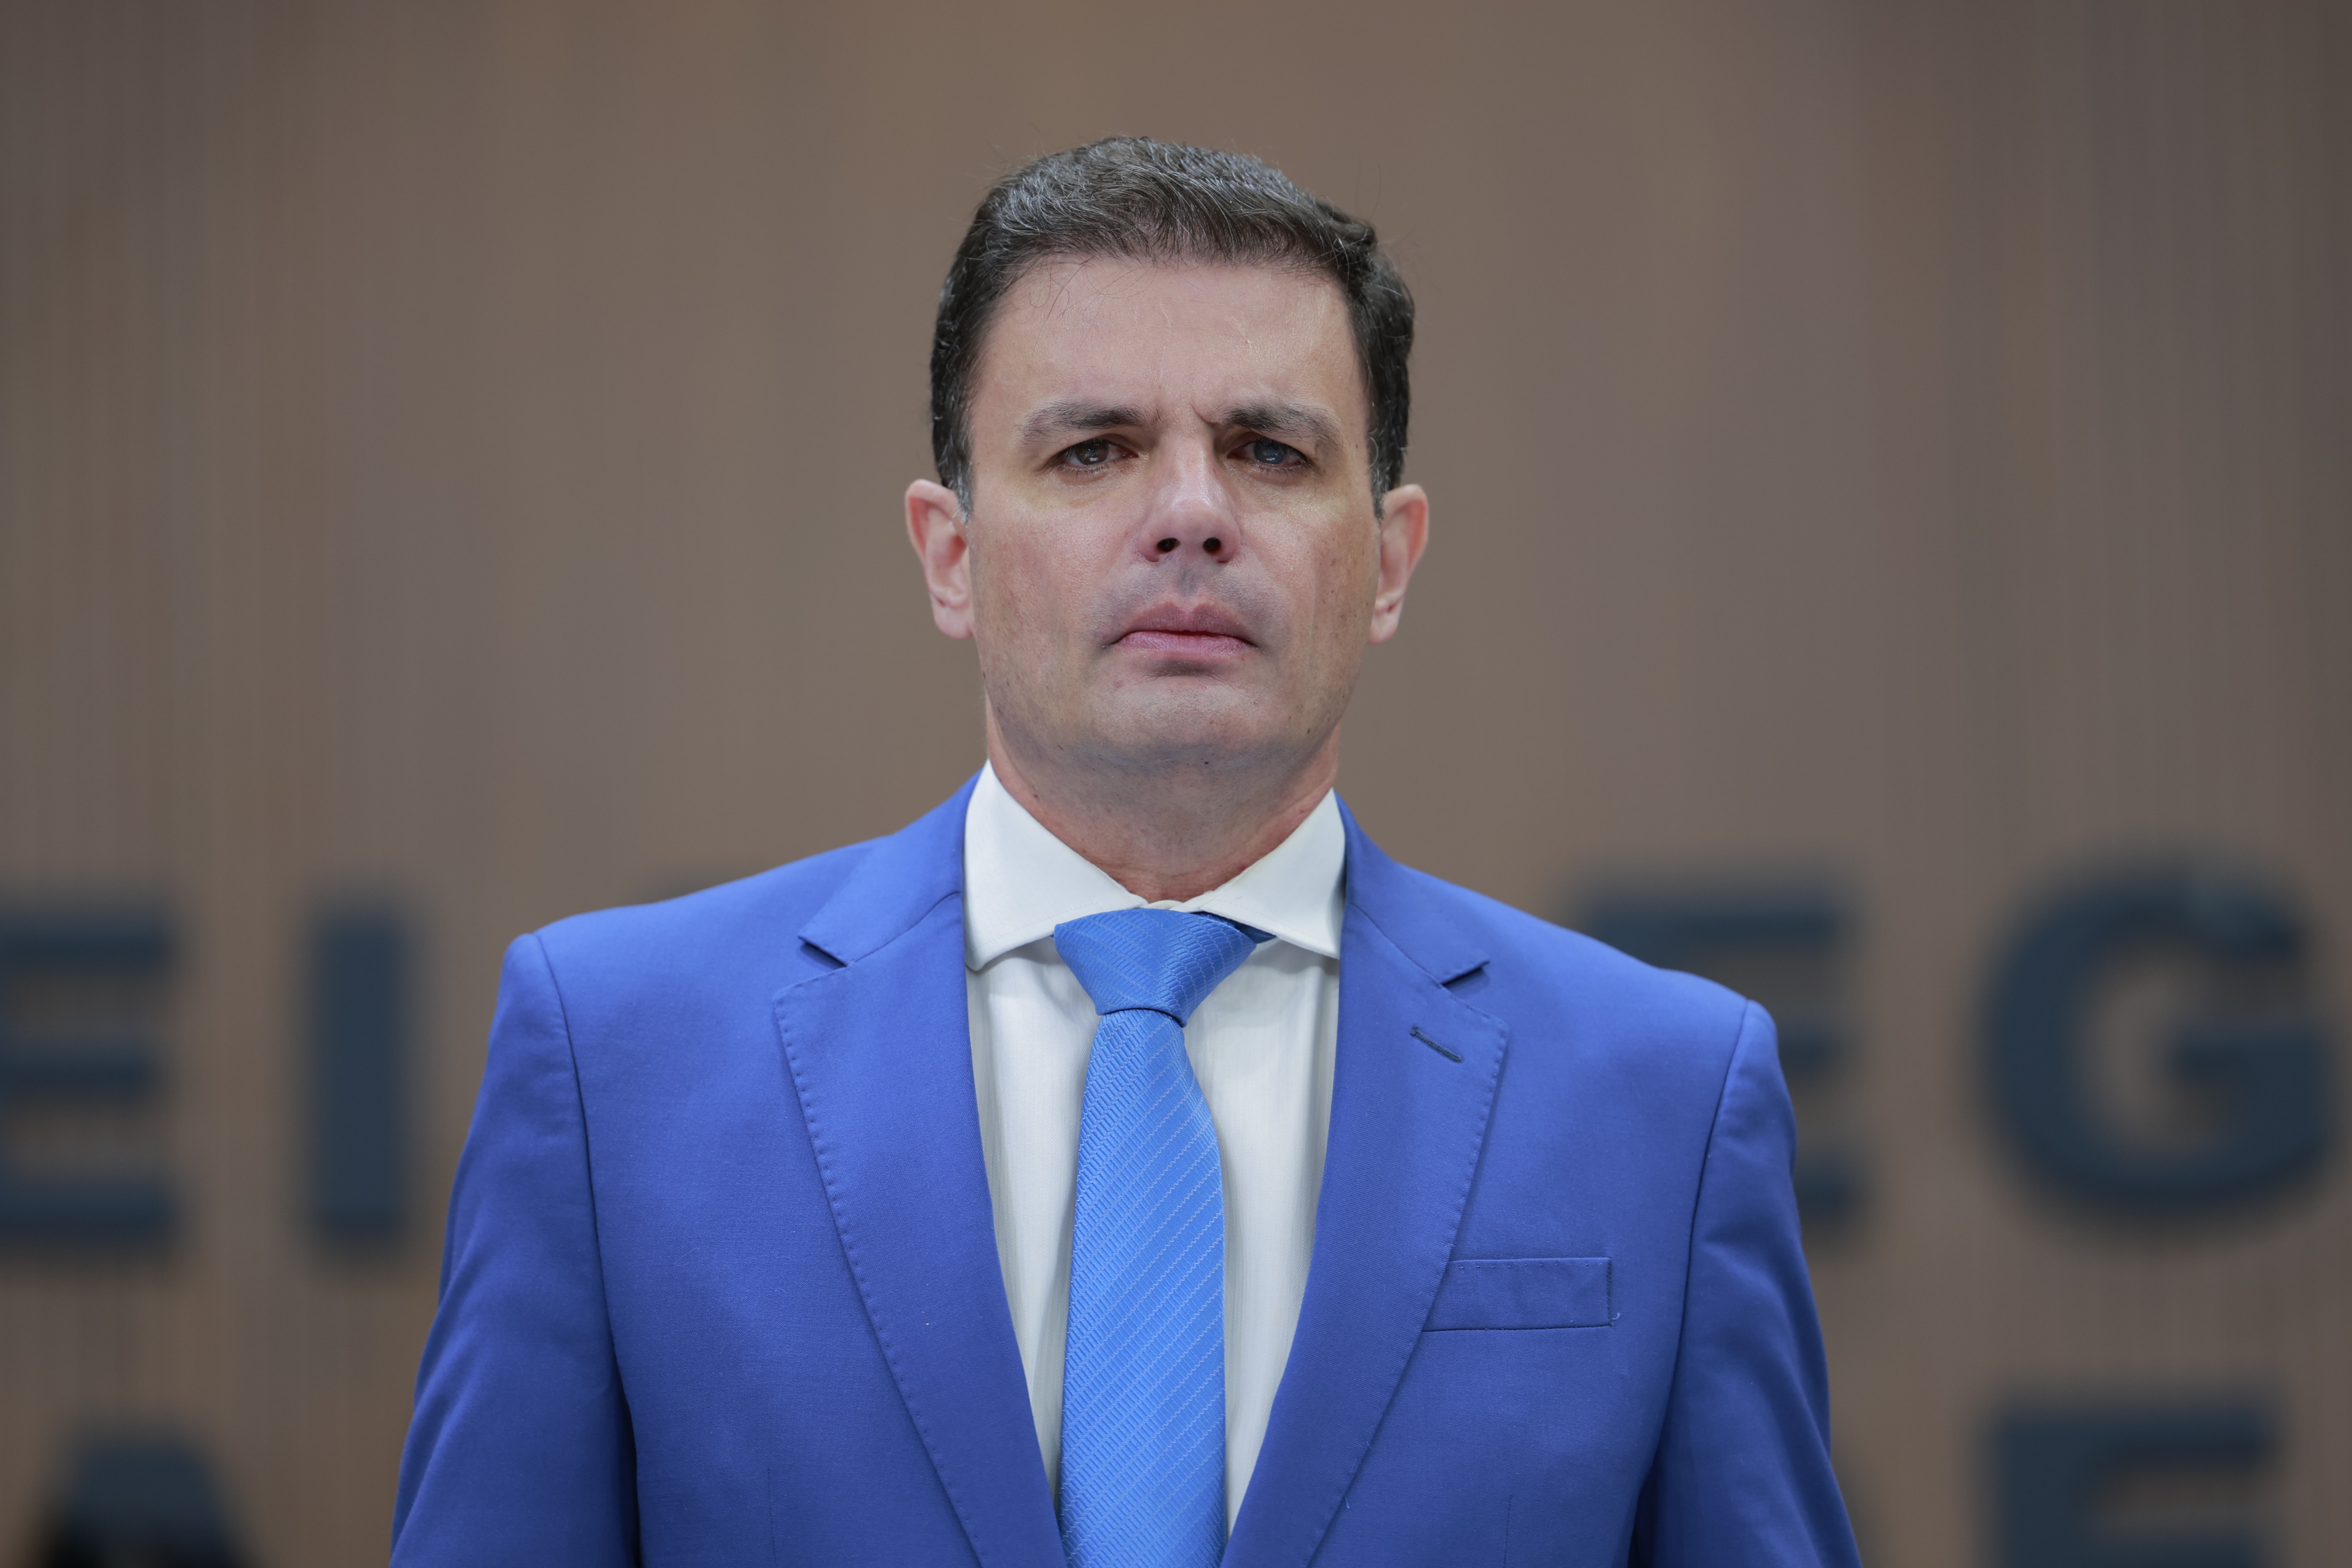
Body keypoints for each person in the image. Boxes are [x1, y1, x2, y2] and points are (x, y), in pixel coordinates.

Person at [390, 138, 1861, 1568]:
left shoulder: (1667, 1098)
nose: (1192, 516)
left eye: (1270, 451)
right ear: (950, 553)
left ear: (1391, 558)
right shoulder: (614, 1065)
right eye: (1093, 450)